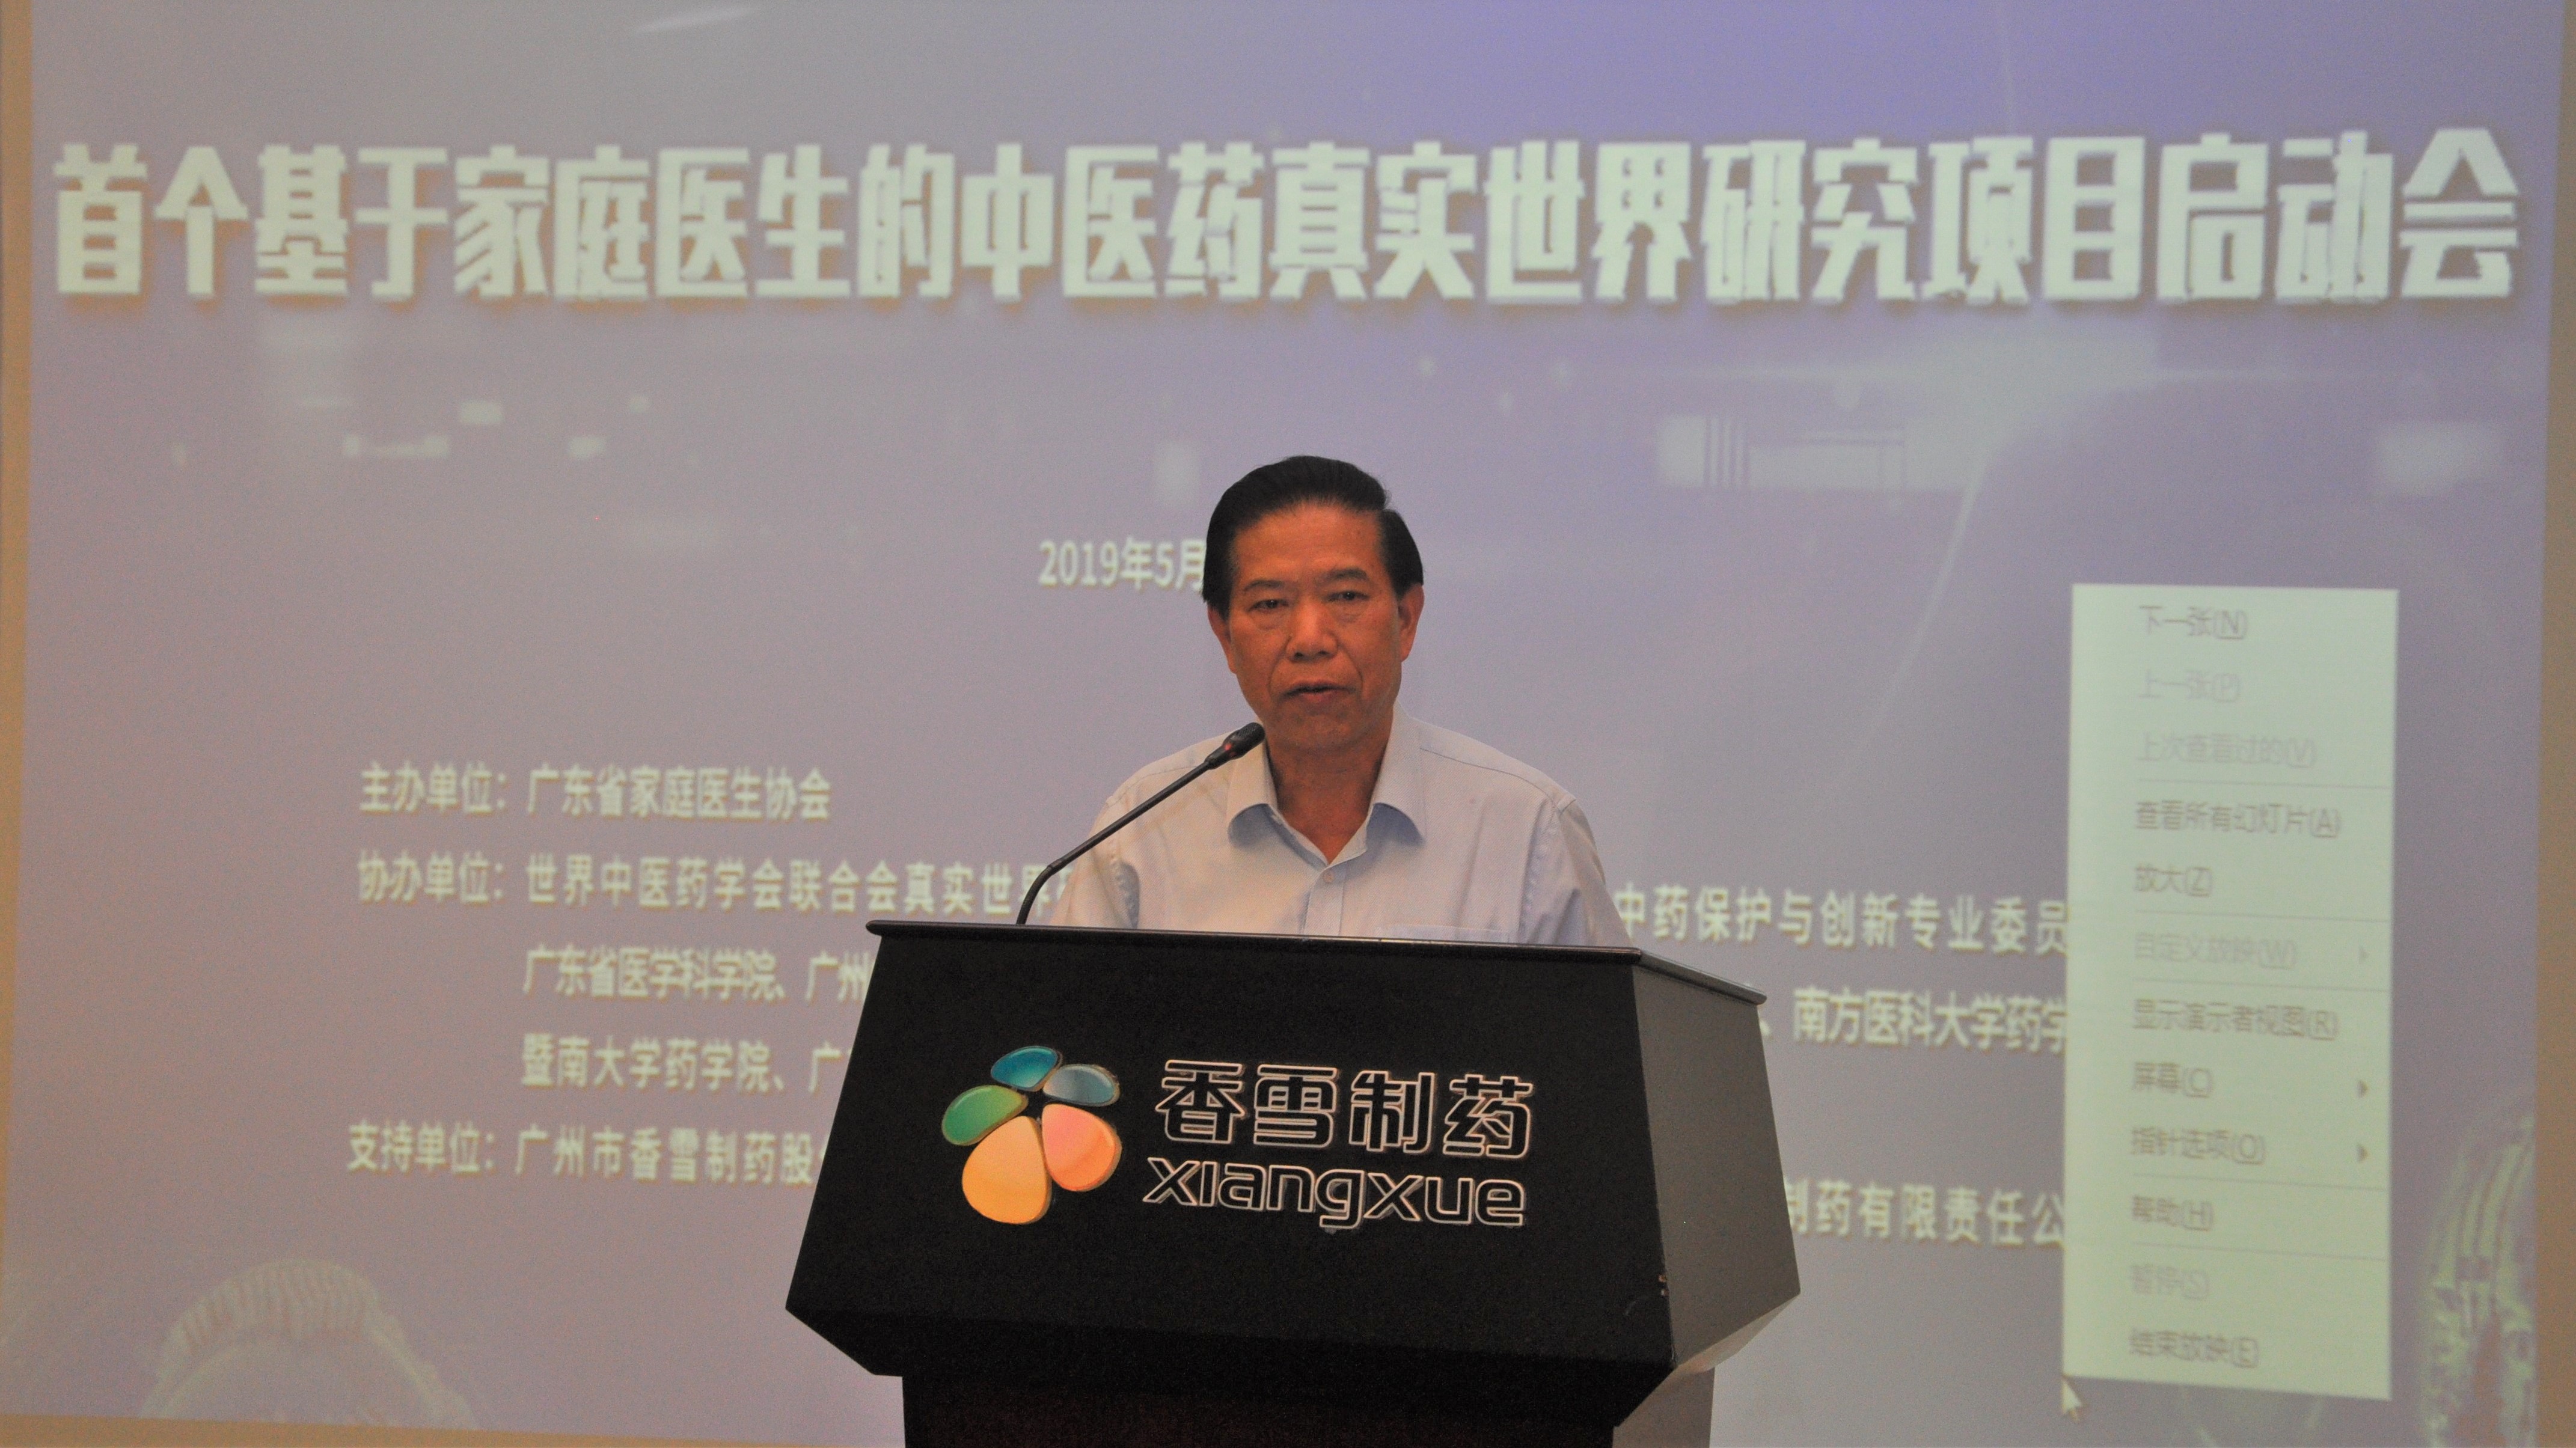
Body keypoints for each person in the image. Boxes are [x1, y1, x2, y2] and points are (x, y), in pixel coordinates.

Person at [1049, 455, 1626, 947]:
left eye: (1345, 596)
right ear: (1224, 635)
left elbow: (1602, 1042)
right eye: (1270, 604)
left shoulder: (1528, 830)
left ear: (1406, 618)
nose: (1309, 639)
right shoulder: (1142, 833)